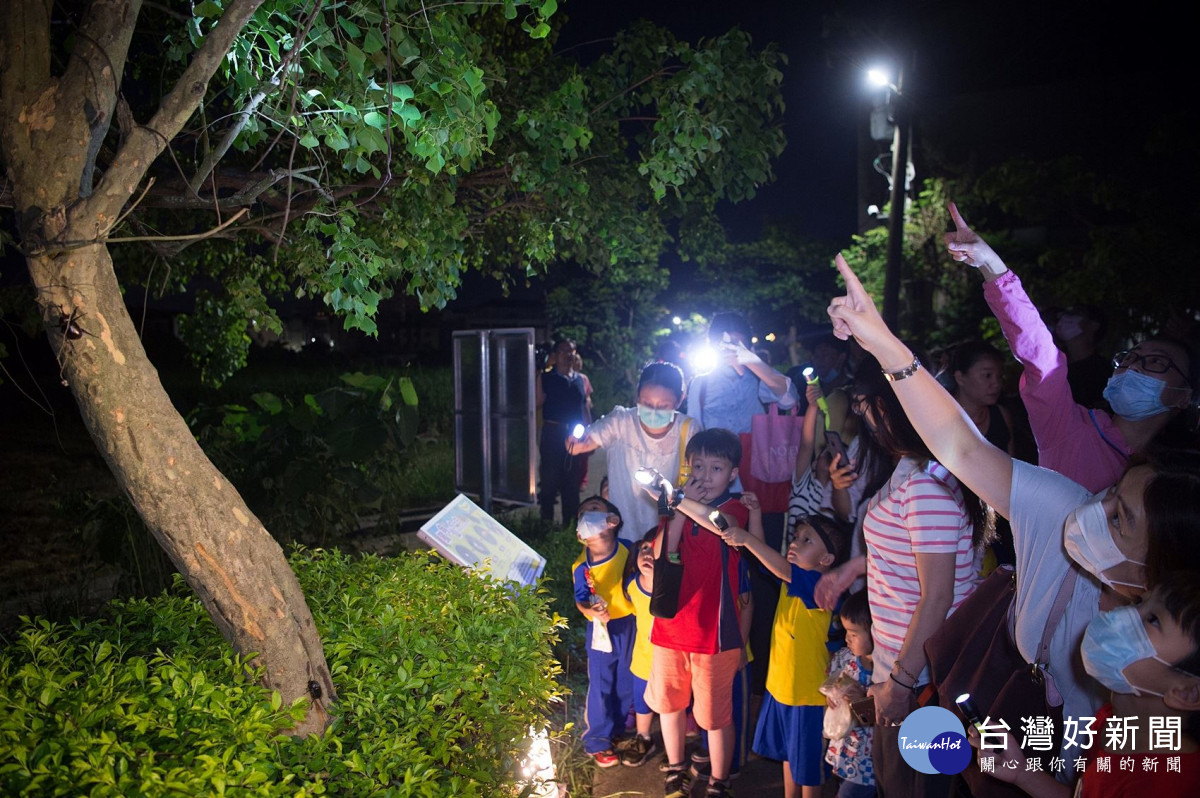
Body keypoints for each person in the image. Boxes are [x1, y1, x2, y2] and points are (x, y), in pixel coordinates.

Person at [823, 251, 1200, 783]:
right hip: (1022, 724)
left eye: (1118, 516)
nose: (1095, 508)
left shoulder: (1164, 719)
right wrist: (882, 341)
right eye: (1110, 496)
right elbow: (962, 446)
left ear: (1158, 563)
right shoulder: (1065, 509)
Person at [814, 347, 991, 797]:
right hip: (909, 672)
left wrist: (899, 683)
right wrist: (856, 565)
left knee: (918, 788)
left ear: (885, 407)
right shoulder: (911, 471)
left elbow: (938, 595)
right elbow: (915, 557)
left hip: (925, 681)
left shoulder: (926, 485)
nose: (862, 416)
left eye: (863, 404)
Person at [945, 202, 1196, 492]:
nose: (1135, 366)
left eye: (1156, 362)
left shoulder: (1178, 480)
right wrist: (991, 264)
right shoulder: (1069, 428)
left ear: (1184, 395)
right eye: (1130, 358)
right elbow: (1040, 354)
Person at [970, 573, 1200, 796]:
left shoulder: (1169, 784)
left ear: (1187, 693)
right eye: (1138, 602)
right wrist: (1022, 774)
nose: (1124, 614)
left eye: (1153, 620)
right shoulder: (1110, 721)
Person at [646, 428, 750, 798]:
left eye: (716, 468)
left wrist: (681, 502)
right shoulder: (676, 504)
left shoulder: (737, 507)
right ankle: (676, 768)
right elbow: (663, 552)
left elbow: (723, 528)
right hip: (671, 626)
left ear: (733, 473)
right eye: (698, 466)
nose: (704, 476)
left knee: (714, 717)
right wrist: (674, 510)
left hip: (714, 634)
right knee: (670, 705)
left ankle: (719, 782)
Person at [719, 513, 852, 798]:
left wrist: (746, 538)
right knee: (789, 758)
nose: (795, 543)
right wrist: (755, 517)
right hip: (780, 690)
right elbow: (766, 559)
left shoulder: (819, 587)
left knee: (808, 770)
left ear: (826, 559)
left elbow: (776, 565)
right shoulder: (792, 581)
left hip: (808, 697)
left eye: (806, 540)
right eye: (795, 537)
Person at [570, 361, 700, 543]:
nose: (654, 412)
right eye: (647, 403)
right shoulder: (620, 422)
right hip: (623, 533)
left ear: (680, 399)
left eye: (663, 406)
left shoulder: (688, 430)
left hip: (667, 535)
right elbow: (580, 446)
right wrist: (575, 443)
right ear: (637, 397)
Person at [571, 496, 636, 767]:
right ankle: (597, 739)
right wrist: (591, 611)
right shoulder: (581, 566)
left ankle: (619, 727)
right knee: (600, 683)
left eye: (594, 510)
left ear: (612, 521)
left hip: (630, 624)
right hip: (601, 629)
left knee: (626, 678)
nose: (587, 514)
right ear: (579, 534)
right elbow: (580, 598)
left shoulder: (629, 549)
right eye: (582, 512)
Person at [688, 312, 799, 436]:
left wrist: (752, 362)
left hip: (761, 453)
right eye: (724, 344)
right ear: (712, 345)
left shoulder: (760, 378)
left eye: (738, 344)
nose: (731, 349)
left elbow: (789, 401)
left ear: (748, 346)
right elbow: (693, 433)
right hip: (717, 454)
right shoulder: (701, 384)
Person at [825, 589, 876, 798]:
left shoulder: (884, 673)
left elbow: (875, 720)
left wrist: (859, 701)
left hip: (867, 764)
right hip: (845, 752)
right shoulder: (846, 659)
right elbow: (830, 683)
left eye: (854, 634)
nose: (847, 638)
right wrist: (832, 695)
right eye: (846, 631)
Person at [620, 528, 662, 768]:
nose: (648, 553)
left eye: (655, 549)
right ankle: (643, 737)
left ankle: (675, 746)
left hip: (671, 660)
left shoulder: (674, 589)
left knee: (672, 706)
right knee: (642, 701)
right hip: (643, 658)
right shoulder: (632, 586)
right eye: (645, 548)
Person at [537, 338, 588, 523]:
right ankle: (546, 521)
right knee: (549, 478)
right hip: (553, 432)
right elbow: (537, 402)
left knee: (572, 480)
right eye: (563, 351)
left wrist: (589, 434)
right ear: (555, 355)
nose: (568, 355)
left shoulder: (580, 380)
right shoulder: (546, 377)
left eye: (571, 351)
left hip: (574, 434)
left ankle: (571, 524)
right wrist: (539, 372)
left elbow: (584, 407)